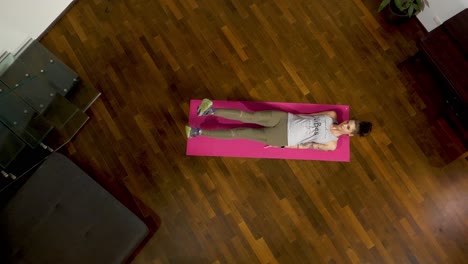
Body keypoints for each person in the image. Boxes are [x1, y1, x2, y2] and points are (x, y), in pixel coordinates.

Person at [186, 99, 372, 151]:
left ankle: (198, 132)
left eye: (349, 127)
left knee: (239, 132)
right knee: (248, 116)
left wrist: (281, 146)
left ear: (350, 134)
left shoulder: (331, 144)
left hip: (283, 137)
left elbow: (305, 146)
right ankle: (210, 110)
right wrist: (290, 115)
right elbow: (308, 115)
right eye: (349, 121)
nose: (346, 123)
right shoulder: (331, 115)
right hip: (284, 119)